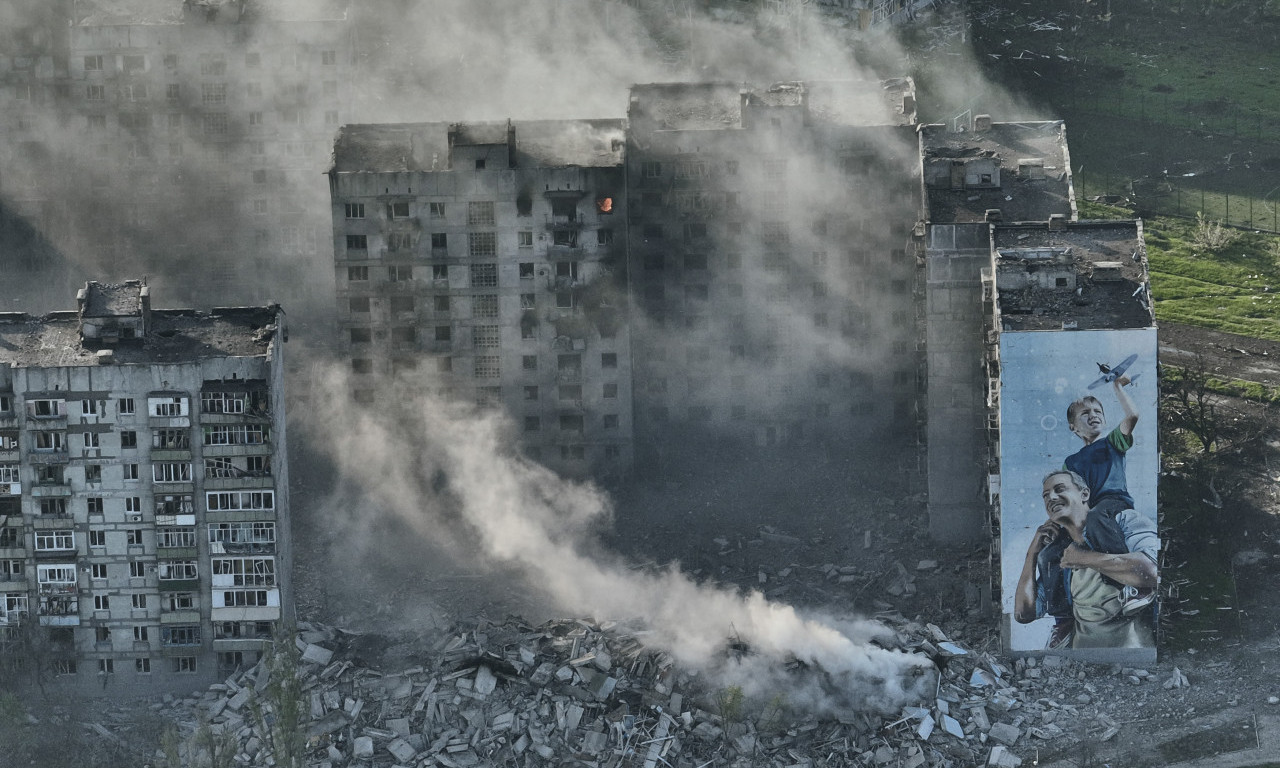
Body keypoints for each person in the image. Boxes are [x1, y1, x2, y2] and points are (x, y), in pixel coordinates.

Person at [1015, 470, 1158, 649]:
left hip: (1132, 654)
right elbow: (1024, 614)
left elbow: (1153, 572)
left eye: (1060, 489)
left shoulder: (1122, 521)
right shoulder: (1057, 556)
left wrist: (1084, 558)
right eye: (1045, 495)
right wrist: (1032, 554)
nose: (1051, 497)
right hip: (1080, 659)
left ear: (1084, 494)